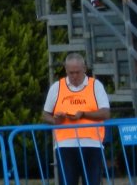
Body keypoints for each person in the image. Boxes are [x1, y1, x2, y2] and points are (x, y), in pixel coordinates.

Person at [42, 53, 110, 185]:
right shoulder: (57, 87)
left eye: (77, 72)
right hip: (65, 144)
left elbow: (106, 113)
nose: (74, 76)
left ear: (84, 68)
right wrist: (56, 121)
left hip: (92, 143)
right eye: (71, 72)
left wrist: (83, 114)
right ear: (66, 70)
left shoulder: (95, 86)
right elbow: (45, 114)